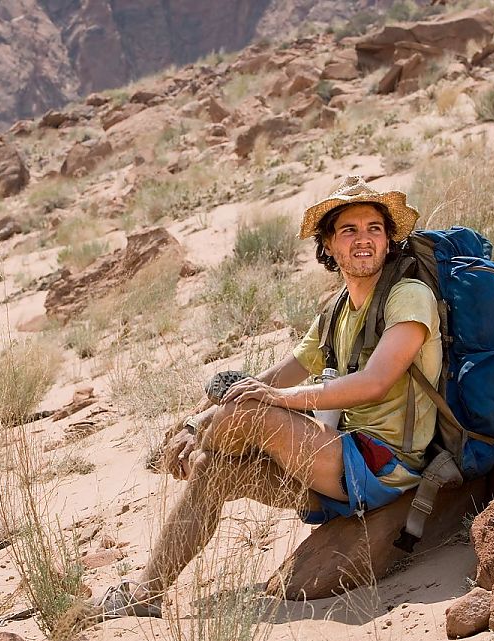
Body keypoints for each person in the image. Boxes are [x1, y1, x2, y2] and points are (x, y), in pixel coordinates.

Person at [99, 176, 443, 617]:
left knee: (253, 415)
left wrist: (258, 407)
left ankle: (196, 441)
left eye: (374, 228)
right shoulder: (337, 310)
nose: (363, 240)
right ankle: (145, 594)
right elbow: (278, 374)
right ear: (329, 245)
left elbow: (375, 382)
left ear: (389, 239)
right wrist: (196, 419)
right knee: (211, 470)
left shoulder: (408, 296)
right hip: (338, 462)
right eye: (349, 230)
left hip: (386, 463)